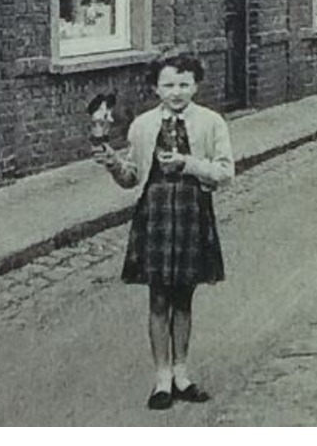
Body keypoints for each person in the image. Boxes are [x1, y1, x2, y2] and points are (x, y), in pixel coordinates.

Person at [92, 55, 233, 410]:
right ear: (156, 88)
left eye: (184, 84)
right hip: (154, 214)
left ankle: (182, 373)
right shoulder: (142, 126)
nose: (176, 92)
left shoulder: (211, 123)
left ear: (196, 86)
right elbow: (131, 178)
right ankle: (161, 379)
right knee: (158, 298)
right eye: (168, 85)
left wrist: (187, 164)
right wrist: (112, 163)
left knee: (183, 298)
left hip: (190, 212)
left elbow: (225, 172)